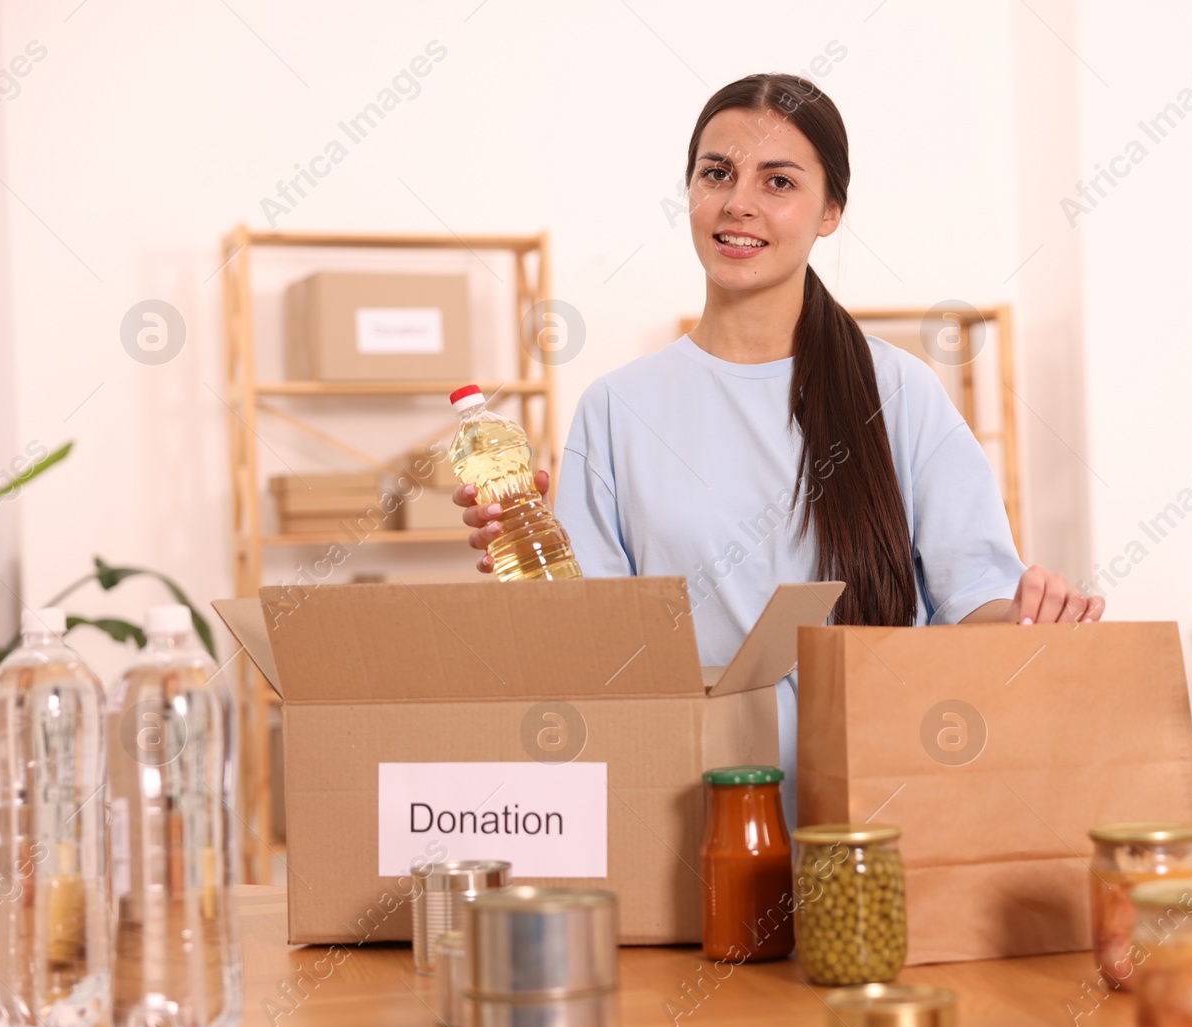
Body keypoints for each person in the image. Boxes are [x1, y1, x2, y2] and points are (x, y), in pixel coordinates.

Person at [456, 72, 1105, 815]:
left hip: (881, 818)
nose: (740, 203)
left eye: (779, 181)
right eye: (718, 173)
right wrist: (532, 550)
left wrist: (1033, 609)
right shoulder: (617, 408)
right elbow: (597, 646)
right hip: (695, 817)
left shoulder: (899, 393)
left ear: (830, 211)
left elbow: (975, 606)